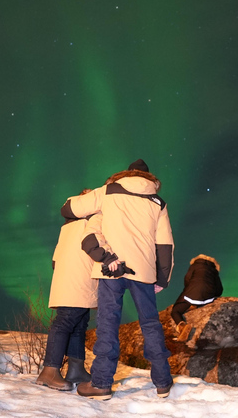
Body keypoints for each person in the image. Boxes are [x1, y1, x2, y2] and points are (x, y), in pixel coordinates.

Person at [62, 159, 175, 400]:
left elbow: (70, 210)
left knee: (107, 326)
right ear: (149, 179)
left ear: (124, 174)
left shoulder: (108, 191)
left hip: (111, 269)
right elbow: (165, 245)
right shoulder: (158, 202)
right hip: (143, 272)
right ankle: (163, 382)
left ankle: (101, 384)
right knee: (151, 324)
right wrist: (162, 279)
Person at [35, 189, 101, 391]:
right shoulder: (90, 222)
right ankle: (49, 372)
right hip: (78, 279)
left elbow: (55, 260)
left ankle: (76, 369)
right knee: (65, 322)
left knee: (79, 324)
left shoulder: (68, 225)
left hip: (74, 279)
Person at [170, 254, 223, 341]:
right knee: (198, 300)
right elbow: (219, 289)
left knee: (176, 311)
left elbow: (187, 279)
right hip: (208, 299)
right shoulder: (214, 270)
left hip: (192, 296)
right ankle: (195, 305)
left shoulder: (194, 266)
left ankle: (182, 327)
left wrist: (189, 289)